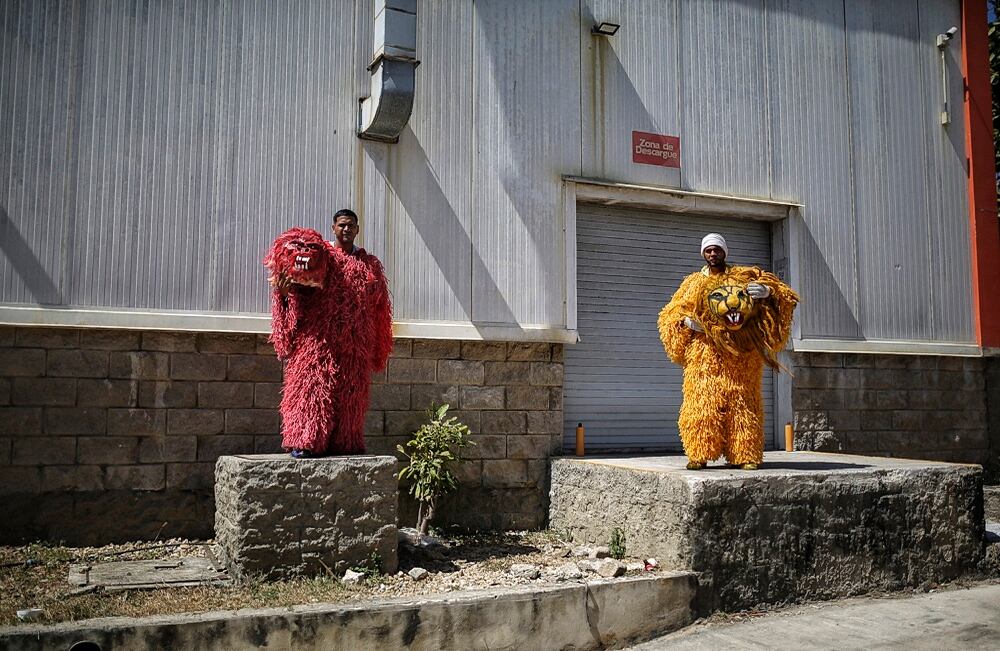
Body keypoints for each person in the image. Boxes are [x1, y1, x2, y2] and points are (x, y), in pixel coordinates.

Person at [657, 233, 798, 470]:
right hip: (704, 356)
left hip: (740, 356)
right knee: (702, 404)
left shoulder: (743, 277)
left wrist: (768, 294)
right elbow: (670, 314)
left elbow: (784, 297)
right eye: (709, 250)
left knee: (743, 404)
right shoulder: (692, 283)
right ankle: (698, 454)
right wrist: (686, 323)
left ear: (725, 252)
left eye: (717, 250)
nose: (713, 254)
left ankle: (746, 455)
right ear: (703, 253)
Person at [263, 209, 393, 457]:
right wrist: (283, 294)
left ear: (357, 229)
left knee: (351, 393)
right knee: (311, 387)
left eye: (351, 225)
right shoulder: (320, 257)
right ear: (333, 227)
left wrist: (378, 348)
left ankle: (347, 442)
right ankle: (306, 441)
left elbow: (380, 308)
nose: (347, 229)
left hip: (356, 343)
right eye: (342, 225)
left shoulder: (370, 265)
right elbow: (296, 293)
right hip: (318, 340)